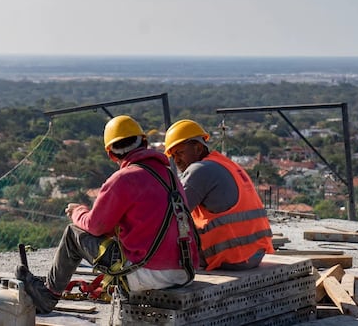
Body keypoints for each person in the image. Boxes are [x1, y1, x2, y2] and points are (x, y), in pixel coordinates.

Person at [16, 115, 199, 314]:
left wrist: (77, 211)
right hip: (184, 272)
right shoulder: (170, 175)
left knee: (73, 233)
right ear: (144, 142)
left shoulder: (124, 179)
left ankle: (48, 294)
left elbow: (95, 226)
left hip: (147, 274)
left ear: (111, 154)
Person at [164, 119, 274, 271]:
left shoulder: (199, 170)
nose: (177, 161)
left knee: (167, 232)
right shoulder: (225, 163)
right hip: (254, 254)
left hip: (232, 257)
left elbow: (170, 215)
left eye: (180, 153)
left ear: (197, 147)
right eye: (173, 156)